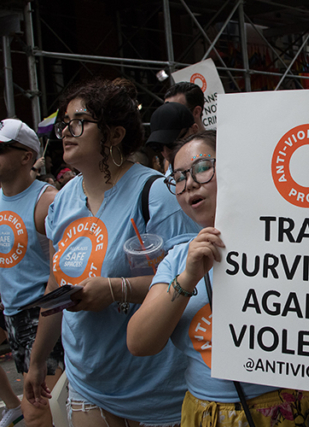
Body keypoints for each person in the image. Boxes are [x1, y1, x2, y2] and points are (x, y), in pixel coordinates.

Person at [127, 131, 309, 426]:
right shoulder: (178, 259)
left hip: (295, 408)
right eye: (178, 177)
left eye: (202, 168)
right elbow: (139, 342)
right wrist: (187, 279)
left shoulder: (290, 238)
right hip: (210, 414)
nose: (189, 184)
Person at [23, 78, 200, 427]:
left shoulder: (157, 195)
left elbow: (194, 280)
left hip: (155, 386)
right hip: (88, 381)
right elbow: (57, 280)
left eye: (79, 122)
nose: (65, 132)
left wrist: (116, 288)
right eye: (64, 124)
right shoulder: (63, 202)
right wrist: (37, 360)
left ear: (115, 135)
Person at [0, 118, 63, 427]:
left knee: (37, 407)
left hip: (41, 313)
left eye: (1, 149)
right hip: (10, 310)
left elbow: (62, 273)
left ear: (26, 156)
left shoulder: (47, 201)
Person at [146, 102, 199, 174]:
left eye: (172, 143)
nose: (166, 153)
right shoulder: (167, 181)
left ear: (194, 130)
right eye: (158, 147)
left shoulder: (216, 164)